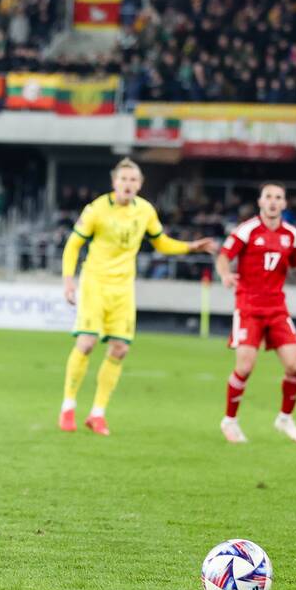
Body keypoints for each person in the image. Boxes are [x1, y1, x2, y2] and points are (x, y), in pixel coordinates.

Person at [59, 158, 217, 436]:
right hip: (96, 282)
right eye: (124, 179)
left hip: (123, 288)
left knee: (120, 348)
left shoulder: (145, 211)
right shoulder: (96, 209)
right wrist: (69, 281)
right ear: (114, 182)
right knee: (86, 342)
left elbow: (161, 242)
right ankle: (68, 406)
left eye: (134, 180)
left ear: (140, 184)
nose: (128, 184)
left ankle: (97, 413)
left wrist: (191, 247)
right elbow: (73, 245)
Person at [216, 182, 296, 444]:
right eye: (268, 197)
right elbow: (224, 255)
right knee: (244, 367)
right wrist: (224, 274)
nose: (273, 201)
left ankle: (284, 419)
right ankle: (229, 420)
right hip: (248, 307)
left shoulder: (291, 235)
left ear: (284, 204)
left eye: (278, 197)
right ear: (260, 201)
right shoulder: (247, 230)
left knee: (294, 366)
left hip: (277, 308)